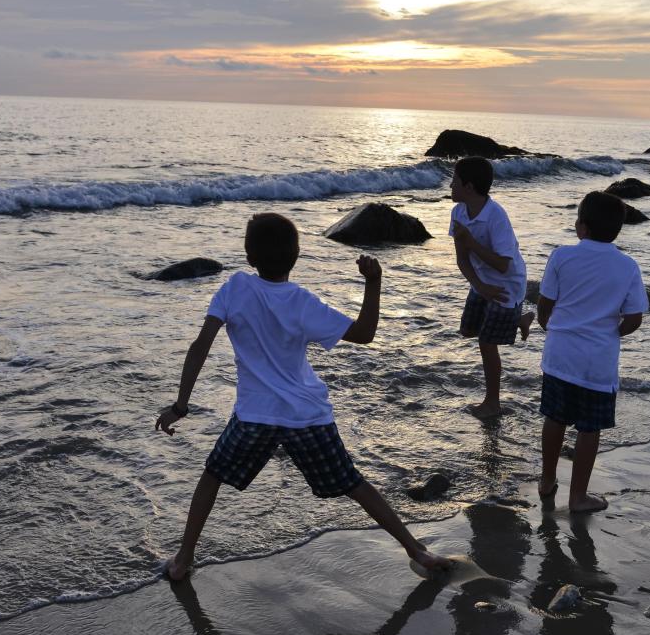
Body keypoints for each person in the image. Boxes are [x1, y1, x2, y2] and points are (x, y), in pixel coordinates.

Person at [154, 212, 449, 581]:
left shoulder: (234, 288)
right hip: (306, 415)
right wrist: (374, 283)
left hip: (255, 417)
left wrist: (181, 405)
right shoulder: (301, 302)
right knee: (353, 484)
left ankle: (183, 560)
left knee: (212, 476)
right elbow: (364, 333)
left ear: (249, 257)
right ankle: (416, 550)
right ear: (296, 256)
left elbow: (200, 346)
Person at [535, 191, 648, 513]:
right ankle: (578, 497)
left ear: (581, 227)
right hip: (598, 361)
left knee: (554, 418)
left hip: (561, 355)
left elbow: (545, 304)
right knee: (589, 428)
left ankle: (546, 481)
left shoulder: (561, 256)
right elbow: (635, 318)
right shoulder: (627, 266)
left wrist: (549, 326)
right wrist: (611, 334)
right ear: (617, 229)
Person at [448, 156, 533, 418]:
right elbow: (462, 259)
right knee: (468, 330)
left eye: (454, 181)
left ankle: (492, 403)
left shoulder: (496, 217)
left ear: (469, 186)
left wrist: (472, 242)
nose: (450, 185)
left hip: (507, 283)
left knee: (486, 342)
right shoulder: (459, 212)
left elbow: (504, 266)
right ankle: (518, 319)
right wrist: (479, 286)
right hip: (482, 281)